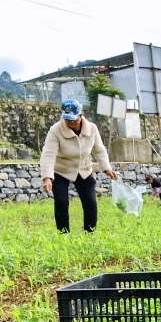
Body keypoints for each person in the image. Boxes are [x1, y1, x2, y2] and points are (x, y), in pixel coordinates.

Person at [40, 99, 118, 232]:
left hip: (84, 169)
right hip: (61, 169)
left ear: (81, 115)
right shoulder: (55, 130)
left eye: (74, 119)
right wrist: (47, 177)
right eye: (67, 120)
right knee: (61, 202)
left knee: (90, 203)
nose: (71, 123)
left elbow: (99, 150)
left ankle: (90, 233)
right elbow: (48, 154)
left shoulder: (92, 128)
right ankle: (63, 234)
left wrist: (107, 168)